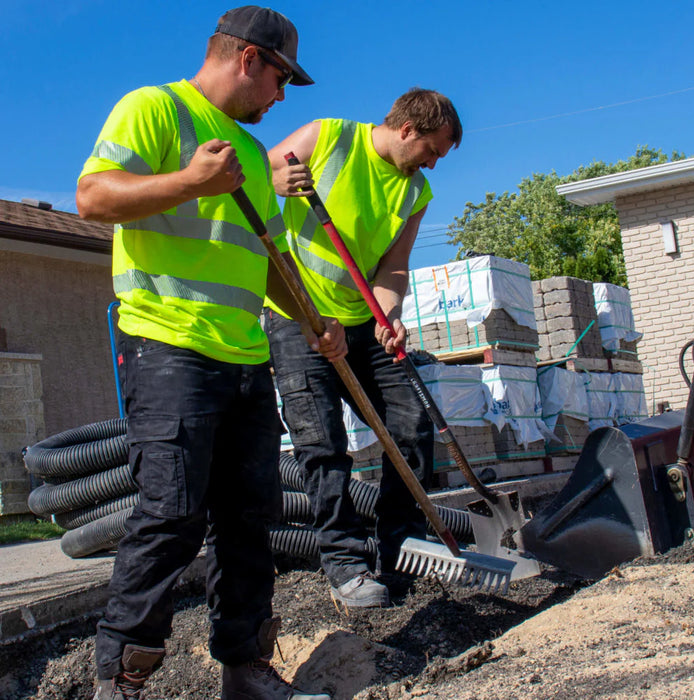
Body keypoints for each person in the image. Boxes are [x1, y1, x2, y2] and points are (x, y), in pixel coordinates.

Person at [76, 7, 345, 700]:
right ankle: (122, 678)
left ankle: (245, 669)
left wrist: (316, 321)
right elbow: (93, 196)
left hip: (245, 359)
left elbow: (270, 261)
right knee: (171, 511)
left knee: (249, 518)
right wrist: (189, 181)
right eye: (281, 79)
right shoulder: (155, 109)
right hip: (168, 347)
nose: (281, 97)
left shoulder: (254, 157)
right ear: (250, 59)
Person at [264, 88, 462, 608]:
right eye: (433, 151)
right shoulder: (326, 137)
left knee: (411, 427)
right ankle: (345, 563)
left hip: (360, 323)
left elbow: (394, 267)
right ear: (408, 129)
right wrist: (275, 179)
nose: (434, 164)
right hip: (297, 316)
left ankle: (402, 548)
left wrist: (388, 313)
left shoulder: (415, 192)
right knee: (323, 443)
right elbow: (250, 180)